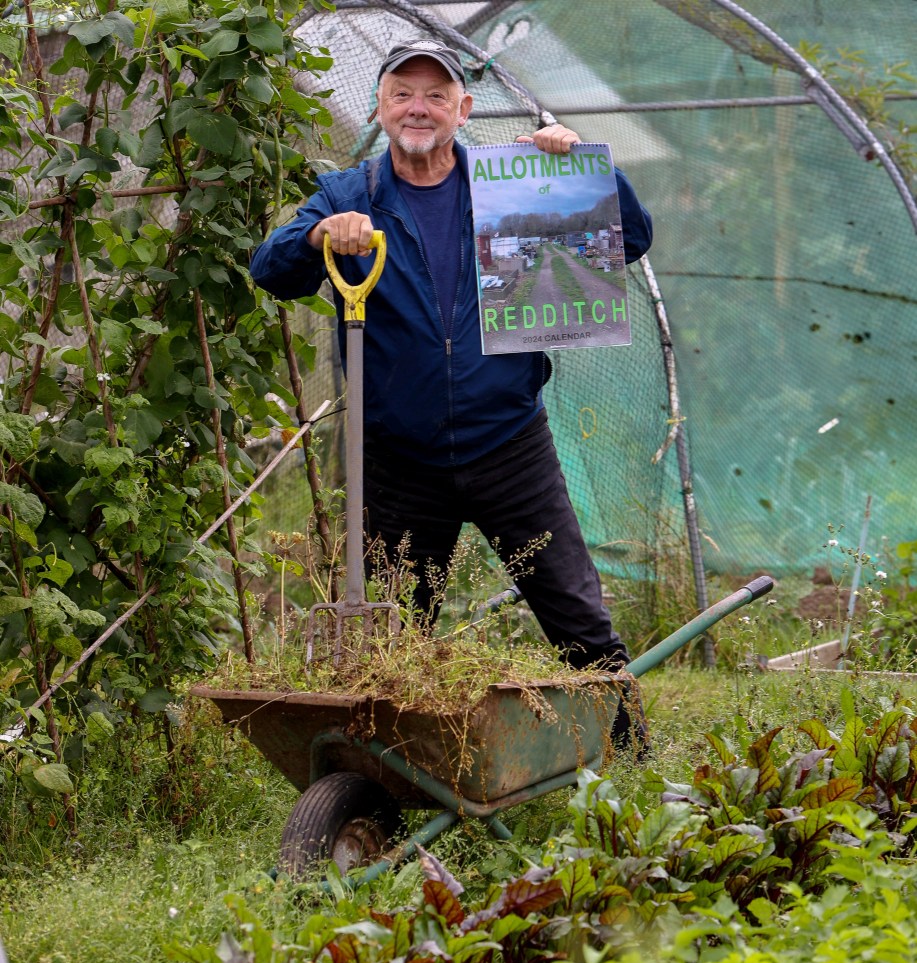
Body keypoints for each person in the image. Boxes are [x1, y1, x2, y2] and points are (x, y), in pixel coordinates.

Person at [250, 40, 654, 753]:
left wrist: (585, 171)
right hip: (399, 463)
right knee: (392, 638)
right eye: (403, 92)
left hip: (509, 446)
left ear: (462, 112)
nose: (418, 107)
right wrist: (317, 234)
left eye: (436, 96)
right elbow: (270, 270)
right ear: (379, 106)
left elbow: (631, 241)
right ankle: (391, 781)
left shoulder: (518, 182)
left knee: (578, 619)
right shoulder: (352, 196)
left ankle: (632, 759)